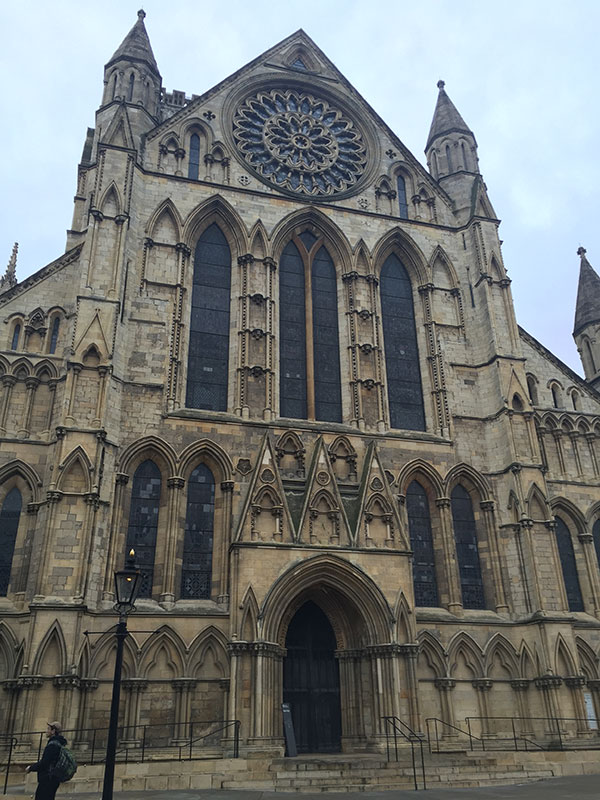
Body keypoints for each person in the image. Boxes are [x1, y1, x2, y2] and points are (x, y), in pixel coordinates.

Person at [26, 722, 67, 800]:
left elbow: (44, 763)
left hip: (48, 779)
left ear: (53, 731)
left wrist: (31, 768)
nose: (46, 731)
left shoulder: (52, 745)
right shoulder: (60, 744)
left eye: (48, 729)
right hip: (54, 779)